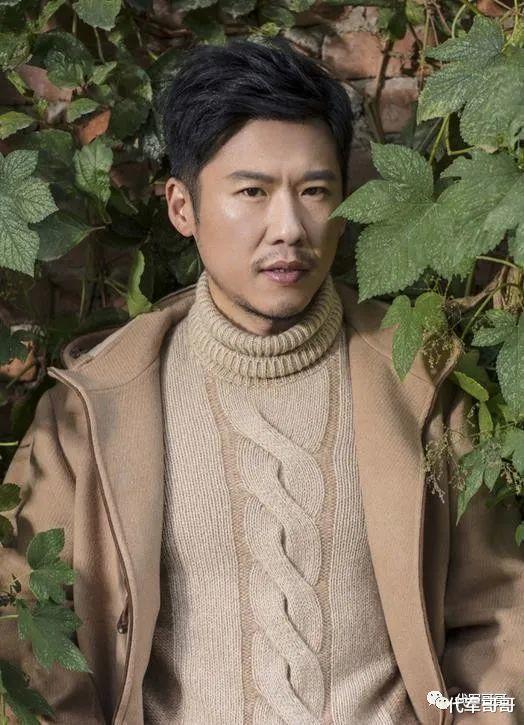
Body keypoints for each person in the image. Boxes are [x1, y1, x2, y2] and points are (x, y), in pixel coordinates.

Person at [1, 37, 523, 725]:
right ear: (182, 207)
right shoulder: (94, 409)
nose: (290, 228)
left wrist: (482, 714)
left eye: (315, 191)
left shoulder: (420, 383)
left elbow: (499, 623)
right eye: (252, 192)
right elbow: (31, 641)